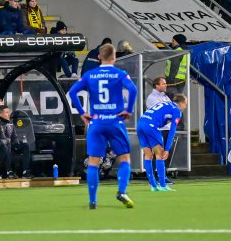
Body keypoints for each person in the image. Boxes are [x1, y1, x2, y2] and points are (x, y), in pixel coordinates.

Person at [67, 42, 139, 209]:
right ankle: (121, 191)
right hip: (115, 121)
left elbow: (72, 92)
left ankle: (93, 201)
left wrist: (82, 112)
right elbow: (133, 90)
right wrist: (128, 110)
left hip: (96, 122)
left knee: (94, 161)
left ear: (99, 57)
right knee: (124, 158)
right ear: (114, 57)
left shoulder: (90, 75)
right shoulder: (120, 73)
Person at [137, 94, 187, 192]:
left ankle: (153, 186)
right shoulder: (177, 110)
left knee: (148, 155)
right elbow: (172, 130)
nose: (185, 106)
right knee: (159, 153)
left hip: (140, 123)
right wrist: (167, 149)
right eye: (185, 104)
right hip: (151, 126)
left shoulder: (165, 103)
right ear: (180, 103)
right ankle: (163, 186)